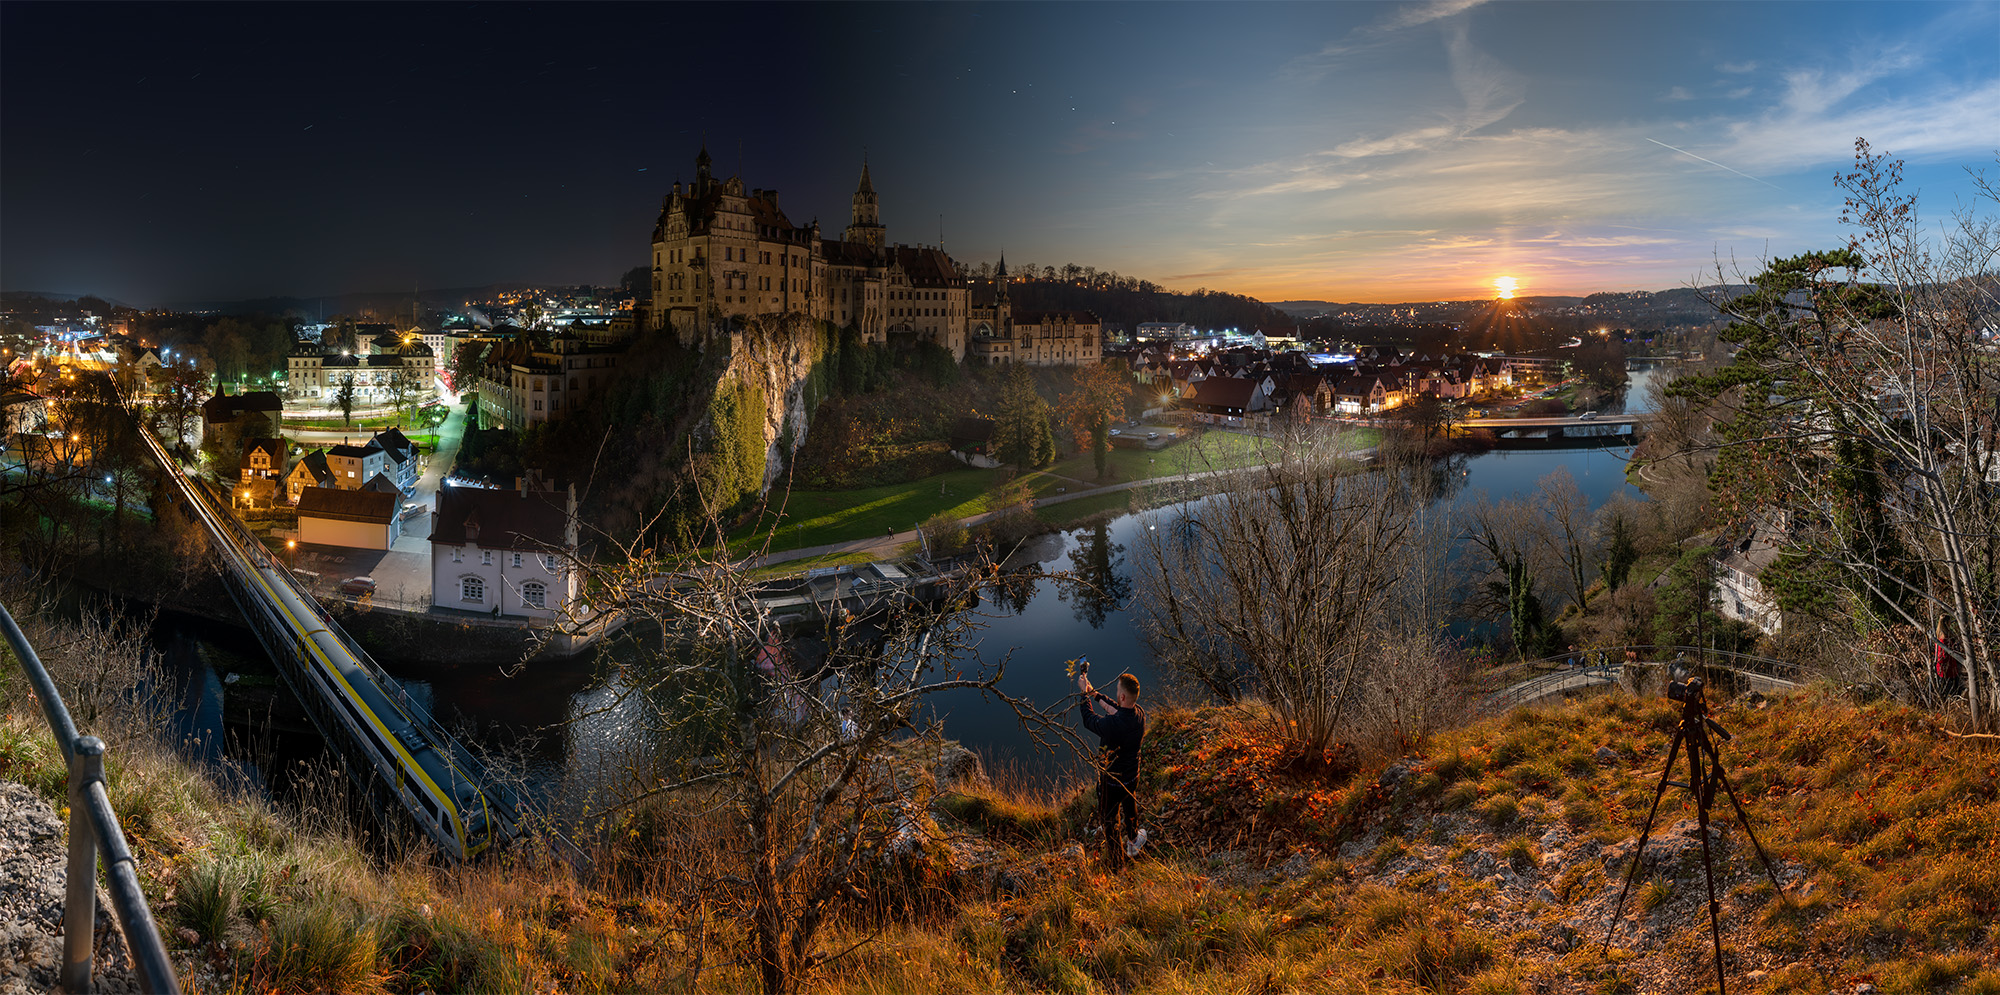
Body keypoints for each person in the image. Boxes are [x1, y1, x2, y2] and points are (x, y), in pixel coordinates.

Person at [1077, 665, 1147, 867]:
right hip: (1132, 776)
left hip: (1112, 783)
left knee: (1109, 821)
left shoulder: (1111, 726)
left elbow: (1088, 720)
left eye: (1117, 691)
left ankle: (1117, 861)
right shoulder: (1139, 714)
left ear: (1123, 696)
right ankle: (1133, 840)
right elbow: (1116, 709)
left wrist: (1083, 695)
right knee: (1129, 804)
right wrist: (1094, 693)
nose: (1116, 694)